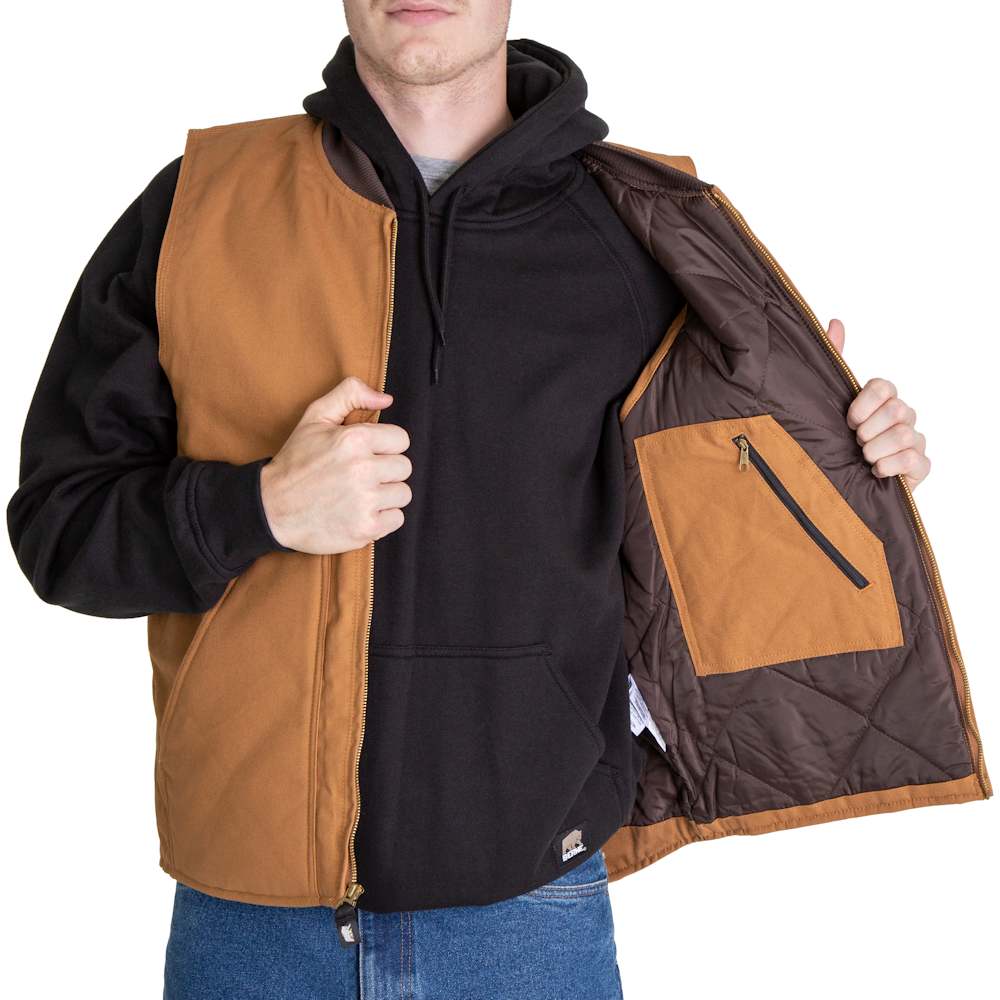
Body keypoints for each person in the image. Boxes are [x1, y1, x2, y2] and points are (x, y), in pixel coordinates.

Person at [12, 2, 988, 999]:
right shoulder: (199, 207)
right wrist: (259, 507)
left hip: (530, 919)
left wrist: (844, 456)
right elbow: (58, 529)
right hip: (249, 925)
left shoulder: (646, 226)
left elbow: (720, 539)